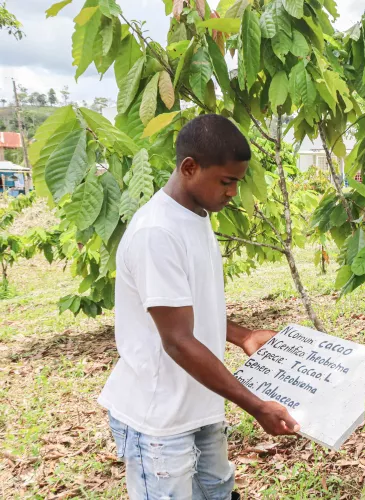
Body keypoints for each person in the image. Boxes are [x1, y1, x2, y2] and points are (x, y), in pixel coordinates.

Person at [98, 114, 299, 500]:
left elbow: (191, 306)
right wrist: (257, 406)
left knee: (218, 493)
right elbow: (176, 340)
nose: (233, 193)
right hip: (159, 420)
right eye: (227, 182)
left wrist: (244, 336)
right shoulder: (157, 232)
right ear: (189, 167)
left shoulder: (196, 214)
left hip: (200, 402)